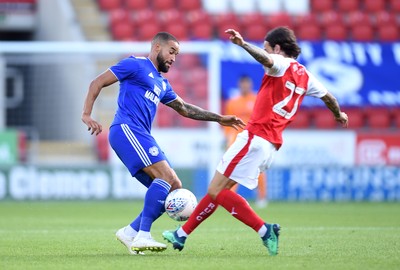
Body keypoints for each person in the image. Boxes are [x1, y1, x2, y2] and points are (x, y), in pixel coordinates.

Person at [162, 27, 349, 256]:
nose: (265, 52)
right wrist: (339, 114)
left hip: (255, 137)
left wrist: (242, 44)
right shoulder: (306, 75)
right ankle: (181, 235)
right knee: (223, 189)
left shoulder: (280, 63)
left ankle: (264, 230)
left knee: (214, 189)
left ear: (277, 48)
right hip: (270, 145)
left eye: (267, 47)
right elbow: (330, 98)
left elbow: (266, 59)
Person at [81, 32, 245, 255]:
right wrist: (87, 114)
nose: (174, 58)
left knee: (173, 187)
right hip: (126, 129)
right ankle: (143, 235)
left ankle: (130, 232)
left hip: (140, 134)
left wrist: (219, 118)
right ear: (157, 47)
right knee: (165, 178)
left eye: (177, 54)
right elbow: (97, 82)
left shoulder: (161, 83)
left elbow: (185, 108)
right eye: (172, 52)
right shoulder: (135, 64)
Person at [224, 75, 268, 208]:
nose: (244, 86)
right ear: (239, 85)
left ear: (249, 85)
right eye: (242, 84)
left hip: (254, 139)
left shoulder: (257, 100)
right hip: (237, 140)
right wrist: (228, 138)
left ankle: (262, 197)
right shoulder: (232, 102)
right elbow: (227, 123)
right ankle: (230, 198)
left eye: (246, 84)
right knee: (233, 169)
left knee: (258, 168)